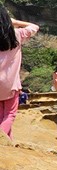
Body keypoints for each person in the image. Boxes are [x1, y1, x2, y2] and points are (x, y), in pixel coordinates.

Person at [0, 9, 39, 140]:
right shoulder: (17, 35)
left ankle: (9, 143)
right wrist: (15, 22)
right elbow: (34, 27)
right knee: (10, 115)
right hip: (10, 84)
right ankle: (2, 139)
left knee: (1, 116)